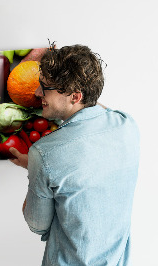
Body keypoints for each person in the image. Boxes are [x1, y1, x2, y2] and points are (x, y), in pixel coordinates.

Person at [9, 44, 140, 265]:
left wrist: (35, 169)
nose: (37, 93)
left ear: (75, 96)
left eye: (46, 88)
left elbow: (37, 224)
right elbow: (96, 112)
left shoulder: (44, 153)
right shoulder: (127, 125)